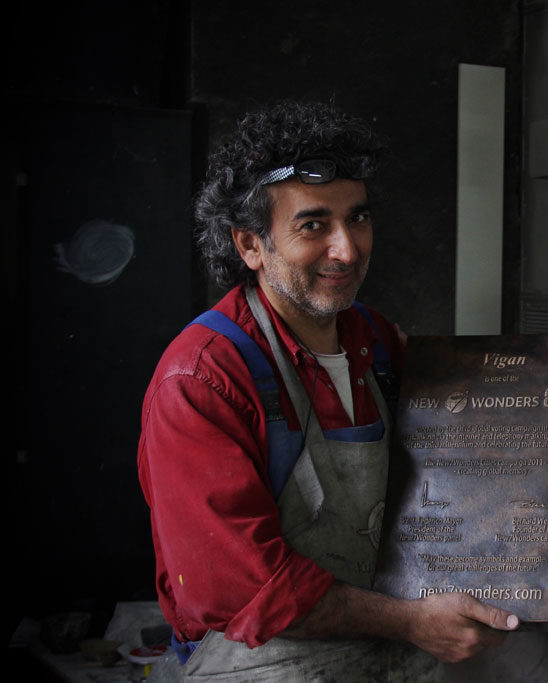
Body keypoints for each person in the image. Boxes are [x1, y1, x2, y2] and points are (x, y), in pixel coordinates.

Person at [138, 101, 518, 681]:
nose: (347, 248)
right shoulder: (201, 381)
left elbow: (469, 453)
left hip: (393, 637)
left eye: (358, 218)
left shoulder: (378, 342)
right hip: (264, 660)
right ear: (250, 246)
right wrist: (410, 621)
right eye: (313, 225)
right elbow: (242, 590)